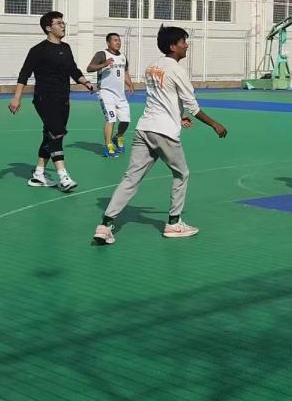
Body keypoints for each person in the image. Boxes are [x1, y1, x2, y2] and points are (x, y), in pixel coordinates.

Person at [93, 26, 228, 245]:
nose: (187, 45)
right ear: (173, 46)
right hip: (164, 132)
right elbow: (193, 106)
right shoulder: (177, 71)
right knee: (181, 174)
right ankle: (174, 223)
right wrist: (215, 124)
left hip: (144, 128)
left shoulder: (152, 67)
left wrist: (178, 116)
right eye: (183, 42)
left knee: (131, 178)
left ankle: (105, 225)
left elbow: (161, 97)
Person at [9, 11, 94, 192]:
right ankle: (63, 177)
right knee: (57, 134)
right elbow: (24, 74)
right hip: (44, 99)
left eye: (63, 22)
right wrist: (17, 98)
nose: (63, 25)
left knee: (50, 135)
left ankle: (39, 174)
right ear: (49, 28)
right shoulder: (38, 50)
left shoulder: (66, 48)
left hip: (63, 99)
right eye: (58, 23)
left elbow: (73, 70)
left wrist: (86, 82)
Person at [87, 33, 136, 158]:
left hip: (120, 94)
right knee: (111, 119)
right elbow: (89, 68)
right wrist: (104, 64)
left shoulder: (123, 56)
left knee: (126, 120)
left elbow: (124, 72)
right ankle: (108, 146)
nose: (118, 42)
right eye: (115, 40)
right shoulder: (102, 54)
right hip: (105, 92)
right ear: (108, 43)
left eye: (119, 40)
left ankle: (118, 137)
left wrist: (130, 84)